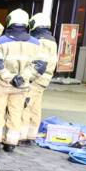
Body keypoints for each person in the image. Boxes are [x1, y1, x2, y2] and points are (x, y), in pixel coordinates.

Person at [0, 9, 46, 152]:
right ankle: (11, 143)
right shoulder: (36, 43)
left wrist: (9, 78)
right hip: (21, 86)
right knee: (16, 113)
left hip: (2, 84)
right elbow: (41, 65)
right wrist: (24, 78)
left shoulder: (2, 40)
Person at [21, 12, 59, 145]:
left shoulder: (41, 40)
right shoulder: (50, 39)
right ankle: (31, 136)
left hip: (36, 79)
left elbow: (39, 64)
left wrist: (27, 78)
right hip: (44, 80)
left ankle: (22, 136)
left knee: (25, 106)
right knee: (35, 108)